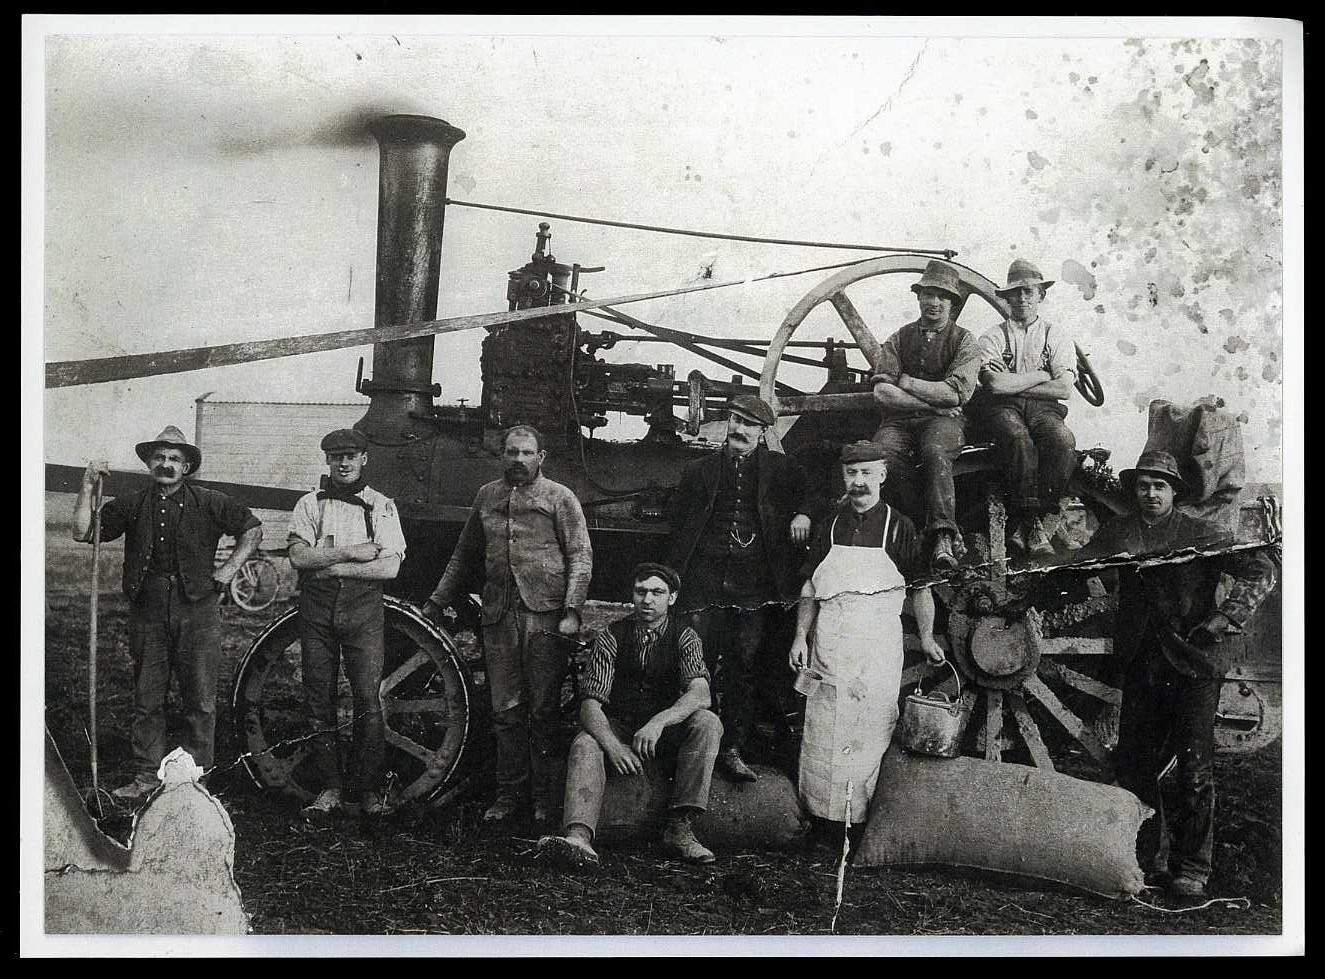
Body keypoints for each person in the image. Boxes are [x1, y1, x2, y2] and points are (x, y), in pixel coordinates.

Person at [1076, 450, 1277, 899]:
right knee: (1135, 766)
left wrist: (1226, 617)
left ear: (1174, 493)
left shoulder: (1199, 534)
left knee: (1194, 770)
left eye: (1159, 486)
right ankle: (1140, 861)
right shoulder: (1120, 531)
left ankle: (1192, 868)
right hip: (1144, 667)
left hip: (1195, 665)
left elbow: (1262, 567)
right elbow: (1076, 566)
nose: (1150, 494)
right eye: (1144, 485)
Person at [71, 425, 263, 802]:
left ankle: (194, 779)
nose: (166, 464)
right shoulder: (132, 504)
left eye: (174, 459)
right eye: (159, 457)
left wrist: (228, 570)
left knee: (200, 697)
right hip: (148, 608)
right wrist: (87, 483)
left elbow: (252, 529)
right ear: (148, 463)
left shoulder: (209, 501)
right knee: (147, 697)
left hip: (198, 609)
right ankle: (146, 776)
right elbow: (83, 533)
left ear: (187, 466)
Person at [424, 424, 593, 826]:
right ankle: (508, 795)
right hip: (499, 615)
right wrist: (436, 602)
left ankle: (543, 799)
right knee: (506, 711)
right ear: (502, 455)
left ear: (541, 458)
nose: (519, 460)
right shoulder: (487, 496)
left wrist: (571, 611)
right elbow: (463, 556)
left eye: (527, 453)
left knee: (544, 710)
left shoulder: (560, 498)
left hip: (545, 618)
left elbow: (580, 556)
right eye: (512, 452)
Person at [789, 441, 946, 831]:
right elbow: (809, 588)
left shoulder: (900, 526)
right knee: (824, 725)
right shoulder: (829, 523)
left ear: (882, 476)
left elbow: (921, 588)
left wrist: (926, 637)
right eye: (851, 473)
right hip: (830, 639)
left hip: (877, 642)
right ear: (843, 476)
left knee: (871, 727)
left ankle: (860, 822)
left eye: (866, 473)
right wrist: (800, 637)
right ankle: (820, 818)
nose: (858, 482)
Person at [666, 393, 815, 783]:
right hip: (703, 586)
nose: (738, 429)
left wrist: (803, 513)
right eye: (734, 420)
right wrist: (673, 580)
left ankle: (732, 747)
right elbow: (677, 528)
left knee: (742, 668)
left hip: (752, 591)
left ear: (764, 432)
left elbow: (815, 493)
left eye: (748, 423)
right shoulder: (698, 471)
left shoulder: (781, 469)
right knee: (693, 666)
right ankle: (688, 744)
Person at [537, 563, 722, 869]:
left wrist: (659, 722)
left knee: (708, 722)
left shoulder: (685, 637)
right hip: (621, 726)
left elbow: (701, 693)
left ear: (672, 598)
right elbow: (589, 705)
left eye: (657, 592)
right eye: (641, 591)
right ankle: (579, 838)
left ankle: (680, 828)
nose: (647, 600)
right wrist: (613, 745)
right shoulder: (612, 636)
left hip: (663, 734)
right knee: (585, 742)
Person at [288, 428, 407, 820]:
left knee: (367, 699)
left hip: (363, 611)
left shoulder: (382, 506)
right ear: (327, 460)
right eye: (336, 456)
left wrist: (331, 564)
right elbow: (299, 559)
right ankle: (329, 788)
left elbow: (390, 567)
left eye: (351, 456)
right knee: (318, 698)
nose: (343, 463)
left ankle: (369, 789)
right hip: (316, 611)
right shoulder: (309, 504)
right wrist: (353, 554)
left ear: (364, 459)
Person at [870, 259, 984, 572]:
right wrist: (930, 404)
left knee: (935, 450)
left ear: (952, 303)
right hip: (902, 421)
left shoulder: (965, 341)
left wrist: (905, 382)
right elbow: (881, 392)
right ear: (918, 298)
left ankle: (943, 537)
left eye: (942, 296)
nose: (934, 302)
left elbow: (955, 394)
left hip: (947, 421)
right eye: (928, 295)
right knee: (882, 456)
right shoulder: (899, 338)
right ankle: (912, 529)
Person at [970, 259, 1078, 559]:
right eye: (1015, 293)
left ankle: (1034, 522)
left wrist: (1014, 382)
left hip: (1046, 410)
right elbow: (994, 387)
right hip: (1003, 408)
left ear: (1041, 295)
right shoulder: (992, 336)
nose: (1022, 299)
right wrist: (1042, 375)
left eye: (1029, 292)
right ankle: (1031, 521)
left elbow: (1064, 389)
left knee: (1063, 441)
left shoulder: (1056, 335)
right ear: (1005, 298)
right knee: (1017, 437)